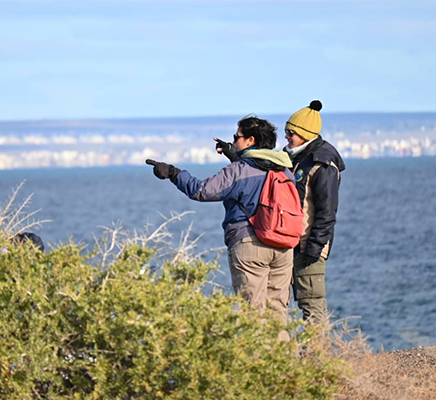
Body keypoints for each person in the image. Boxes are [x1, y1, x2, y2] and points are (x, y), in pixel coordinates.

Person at [146, 115, 294, 313]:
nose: (233, 141)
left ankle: (259, 346)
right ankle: (283, 345)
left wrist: (173, 172)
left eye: (237, 137)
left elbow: (201, 190)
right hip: (284, 246)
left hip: (251, 244)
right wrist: (235, 154)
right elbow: (259, 172)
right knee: (277, 310)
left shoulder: (239, 170)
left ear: (251, 141)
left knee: (253, 312)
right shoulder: (286, 170)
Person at [216, 101, 345, 323]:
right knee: (277, 304)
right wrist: (234, 154)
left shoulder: (322, 164)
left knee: (310, 301)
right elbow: (263, 169)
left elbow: (327, 211)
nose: (286, 136)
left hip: (308, 244)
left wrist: (314, 248)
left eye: (291, 132)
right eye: (286, 131)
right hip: (286, 241)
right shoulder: (291, 157)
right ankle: (284, 355)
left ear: (306, 134)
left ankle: (318, 354)